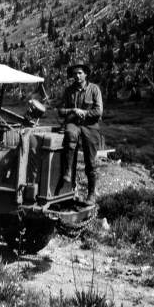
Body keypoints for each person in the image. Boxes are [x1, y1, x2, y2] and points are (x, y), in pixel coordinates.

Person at [57, 62, 103, 205]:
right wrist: (72, 110)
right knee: (70, 136)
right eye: (75, 73)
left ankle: (91, 194)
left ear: (86, 74)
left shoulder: (94, 89)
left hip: (90, 127)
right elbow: (60, 110)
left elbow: (98, 111)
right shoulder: (68, 91)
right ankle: (68, 175)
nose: (77, 76)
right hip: (74, 124)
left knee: (91, 162)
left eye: (80, 73)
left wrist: (84, 112)